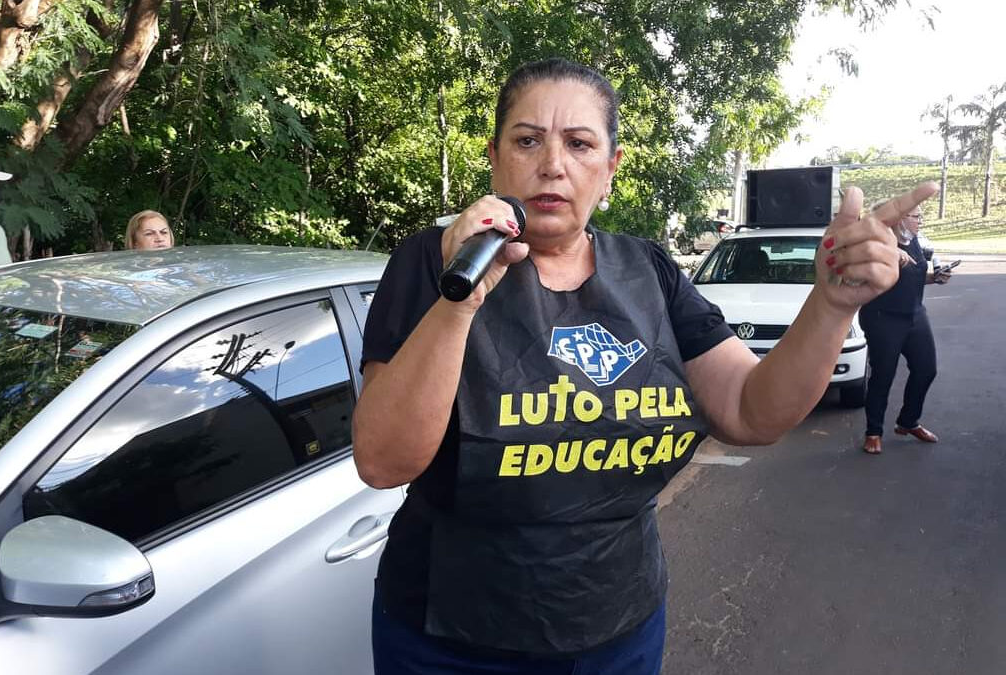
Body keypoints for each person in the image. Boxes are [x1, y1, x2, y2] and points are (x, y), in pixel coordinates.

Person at [352, 58, 938, 674]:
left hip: (617, 629)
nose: (552, 164)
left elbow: (750, 412)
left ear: (610, 168)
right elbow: (384, 461)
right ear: (495, 158)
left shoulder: (649, 271)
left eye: (580, 144)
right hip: (451, 639)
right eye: (527, 141)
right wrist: (460, 302)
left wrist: (832, 304)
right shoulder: (435, 263)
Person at [859, 205, 949, 455]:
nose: (921, 220)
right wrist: (891, 251)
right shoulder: (876, 245)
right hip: (883, 318)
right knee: (883, 375)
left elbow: (914, 276)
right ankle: (873, 432)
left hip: (915, 315)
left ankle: (908, 421)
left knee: (926, 370)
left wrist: (935, 277)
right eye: (916, 216)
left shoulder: (915, 241)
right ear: (899, 219)